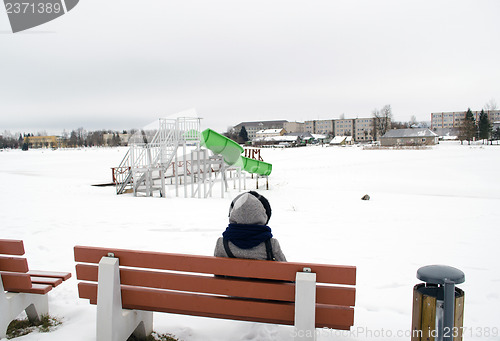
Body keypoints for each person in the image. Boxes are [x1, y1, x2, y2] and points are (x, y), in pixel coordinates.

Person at [214, 191, 286, 261]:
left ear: (233, 214)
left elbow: (216, 269)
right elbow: (285, 270)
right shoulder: (271, 245)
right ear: (262, 215)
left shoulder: (221, 244)